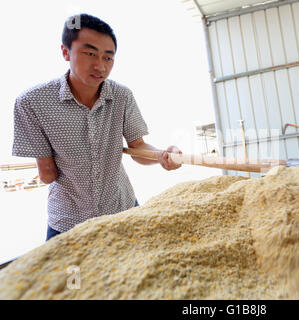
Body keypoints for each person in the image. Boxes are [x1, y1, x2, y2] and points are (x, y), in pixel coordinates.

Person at [12, 14, 182, 241]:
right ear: (65, 52)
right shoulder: (32, 102)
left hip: (123, 211)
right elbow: (48, 174)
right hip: (68, 223)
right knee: (72, 277)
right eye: (90, 53)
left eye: (108, 58)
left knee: (136, 274)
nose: (100, 66)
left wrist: (162, 155)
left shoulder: (122, 96)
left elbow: (138, 147)